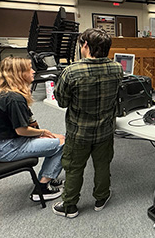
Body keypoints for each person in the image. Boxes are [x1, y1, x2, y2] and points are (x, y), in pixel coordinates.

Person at [53, 28, 123, 218]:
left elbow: (62, 102)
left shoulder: (71, 72)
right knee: (102, 165)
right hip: (105, 131)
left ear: (85, 45)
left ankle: (70, 206)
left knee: (74, 167)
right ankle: (101, 198)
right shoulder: (117, 68)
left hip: (79, 132)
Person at [0, 56, 65, 202]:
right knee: (64, 143)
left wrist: (41, 134)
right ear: (20, 74)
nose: (33, 71)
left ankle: (48, 178)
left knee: (60, 138)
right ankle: (42, 188)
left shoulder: (4, 92)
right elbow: (22, 130)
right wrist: (42, 132)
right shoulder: (14, 99)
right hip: (6, 148)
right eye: (30, 69)